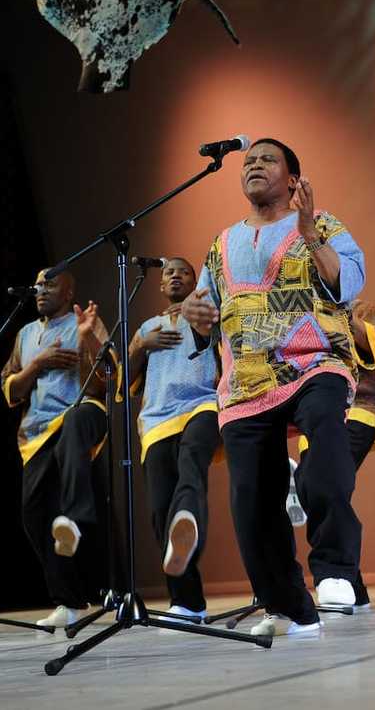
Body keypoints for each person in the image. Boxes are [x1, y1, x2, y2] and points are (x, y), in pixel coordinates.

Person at [183, 137, 365, 635]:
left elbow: (347, 283)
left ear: (293, 179)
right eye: (248, 162)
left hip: (314, 360)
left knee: (325, 451)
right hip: (245, 379)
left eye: (267, 159)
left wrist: (309, 232)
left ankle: (334, 568)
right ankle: (292, 607)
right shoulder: (221, 243)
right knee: (250, 506)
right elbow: (204, 308)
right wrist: (195, 315)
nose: (254, 166)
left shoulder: (325, 225)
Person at [1, 268, 110, 627]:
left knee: (77, 421)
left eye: (49, 283)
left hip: (81, 412)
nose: (40, 289)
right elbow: (12, 391)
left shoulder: (88, 322)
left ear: (69, 289)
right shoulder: (25, 335)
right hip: (36, 433)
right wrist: (37, 364)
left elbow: (102, 385)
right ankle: (70, 602)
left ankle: (76, 516)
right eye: (37, 285)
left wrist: (87, 340)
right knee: (34, 516)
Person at [129, 257, 220, 622]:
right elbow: (124, 383)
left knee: (191, 469)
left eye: (184, 271)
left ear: (195, 281)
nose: (176, 276)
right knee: (158, 511)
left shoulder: (207, 312)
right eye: (169, 272)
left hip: (203, 405)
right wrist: (140, 346)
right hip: (156, 420)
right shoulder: (148, 327)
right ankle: (187, 603)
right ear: (160, 285)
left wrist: (202, 315)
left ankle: (186, 515)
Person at [291, 298, 375, 610]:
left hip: (356, 413)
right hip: (312, 423)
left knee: (324, 485)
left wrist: (339, 314)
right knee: (320, 491)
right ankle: (353, 588)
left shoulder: (364, 308)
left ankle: (335, 574)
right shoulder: (297, 306)